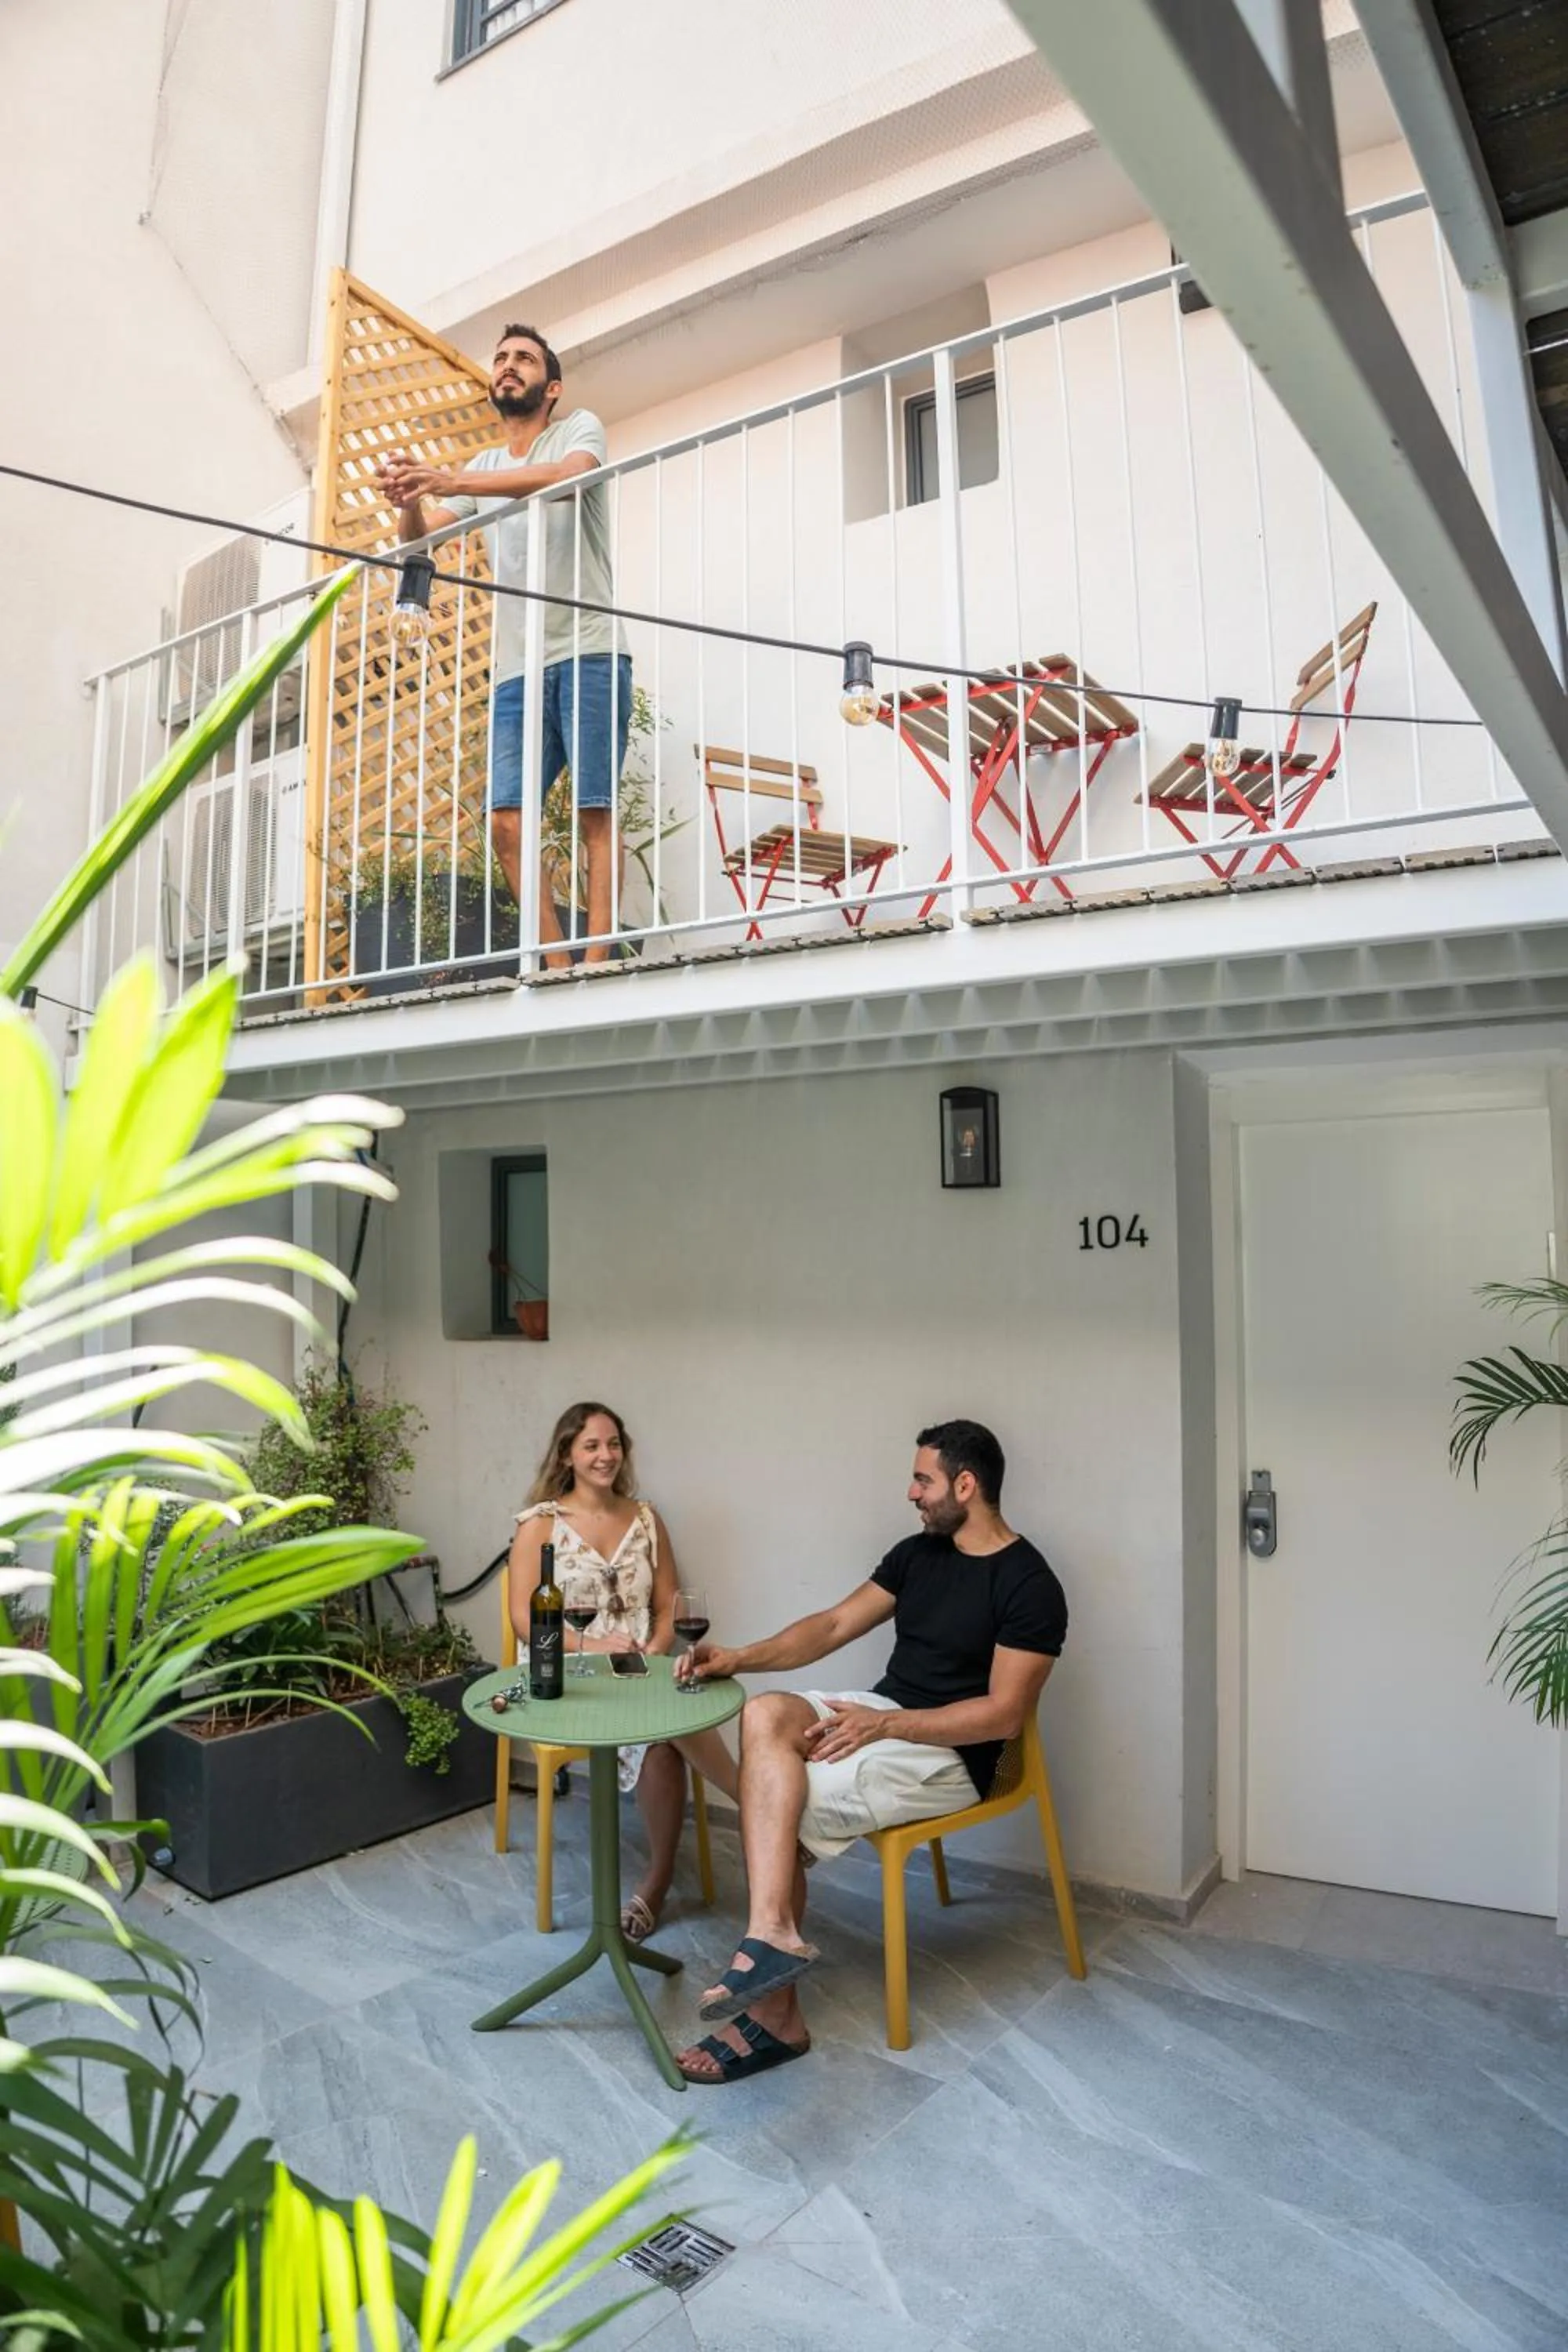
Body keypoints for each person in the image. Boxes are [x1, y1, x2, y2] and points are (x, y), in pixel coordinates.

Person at [672, 1419, 1065, 2083]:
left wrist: (887, 1728)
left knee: (778, 1806)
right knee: (765, 1711)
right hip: (887, 1715)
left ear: (966, 1485)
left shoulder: (1030, 1584)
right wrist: (738, 1657)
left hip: (962, 1752)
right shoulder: (918, 1555)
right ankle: (771, 1933)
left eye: (923, 1479)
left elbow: (1003, 1714)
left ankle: (777, 2022)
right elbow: (829, 1626)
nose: (911, 1493)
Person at [376, 325, 630, 966]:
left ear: (552, 386)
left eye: (523, 359)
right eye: (501, 359)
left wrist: (447, 479)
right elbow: (416, 543)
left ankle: (596, 965)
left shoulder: (578, 429)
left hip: (589, 647)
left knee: (593, 811)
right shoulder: (485, 468)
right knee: (507, 824)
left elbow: (564, 479)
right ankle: (554, 963)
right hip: (517, 668)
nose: (508, 367)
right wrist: (411, 497)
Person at [506, 1401, 737, 1940]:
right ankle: (758, 1808)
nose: (605, 1456)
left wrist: (654, 1652)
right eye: (592, 1445)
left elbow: (667, 1608)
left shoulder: (645, 1518)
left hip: (640, 1662)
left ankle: (654, 1883)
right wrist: (592, 1646)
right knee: (674, 1719)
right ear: (567, 1453)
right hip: (565, 1667)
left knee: (665, 1737)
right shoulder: (540, 1525)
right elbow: (524, 1620)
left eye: (614, 1444)